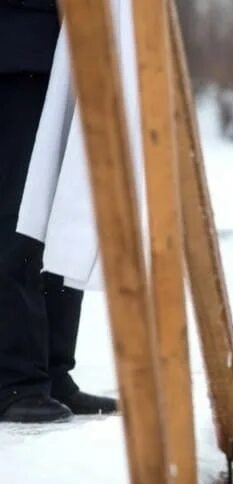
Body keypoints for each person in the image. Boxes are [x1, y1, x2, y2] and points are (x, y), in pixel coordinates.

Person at [0, 0, 117, 423]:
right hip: (17, 52)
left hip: (70, 47)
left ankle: (50, 369)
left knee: (65, 210)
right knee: (19, 213)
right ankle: (15, 378)